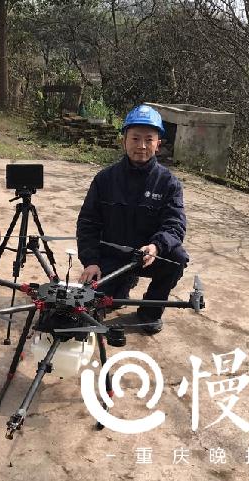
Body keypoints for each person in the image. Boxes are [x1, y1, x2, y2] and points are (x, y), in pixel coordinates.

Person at [76, 104, 189, 334]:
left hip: (146, 257)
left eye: (149, 139)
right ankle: (121, 284)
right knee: (88, 314)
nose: (142, 146)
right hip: (111, 257)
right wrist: (91, 261)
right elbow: (88, 223)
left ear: (158, 144)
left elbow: (175, 224)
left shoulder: (168, 183)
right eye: (135, 138)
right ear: (124, 141)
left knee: (177, 258)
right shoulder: (104, 179)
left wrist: (156, 246)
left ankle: (150, 312)